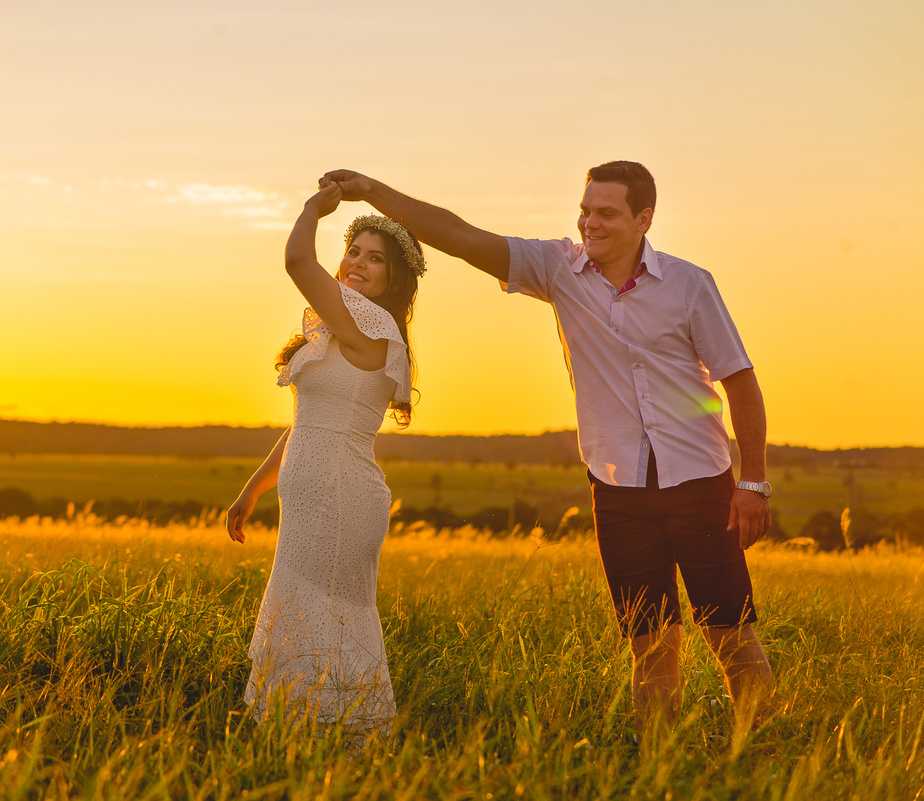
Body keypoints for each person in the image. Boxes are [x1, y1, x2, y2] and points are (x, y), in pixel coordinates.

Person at [317, 162, 774, 733]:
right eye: (585, 210)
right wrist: (372, 191)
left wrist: (752, 482)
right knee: (651, 646)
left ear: (644, 219)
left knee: (729, 634)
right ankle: (661, 771)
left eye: (606, 213)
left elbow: (739, 380)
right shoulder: (558, 268)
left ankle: (761, 758)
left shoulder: (690, 284)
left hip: (700, 483)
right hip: (618, 490)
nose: (590, 222)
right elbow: (458, 237)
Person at [226, 181, 425, 733]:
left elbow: (295, 258)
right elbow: (304, 426)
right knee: (301, 617)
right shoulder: (333, 336)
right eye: (353, 251)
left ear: (393, 278)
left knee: (327, 625)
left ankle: (342, 747)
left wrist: (316, 207)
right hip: (309, 499)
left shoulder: (371, 329)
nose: (357, 263)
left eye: (374, 258)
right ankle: (300, 743)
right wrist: (253, 489)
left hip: (343, 497)